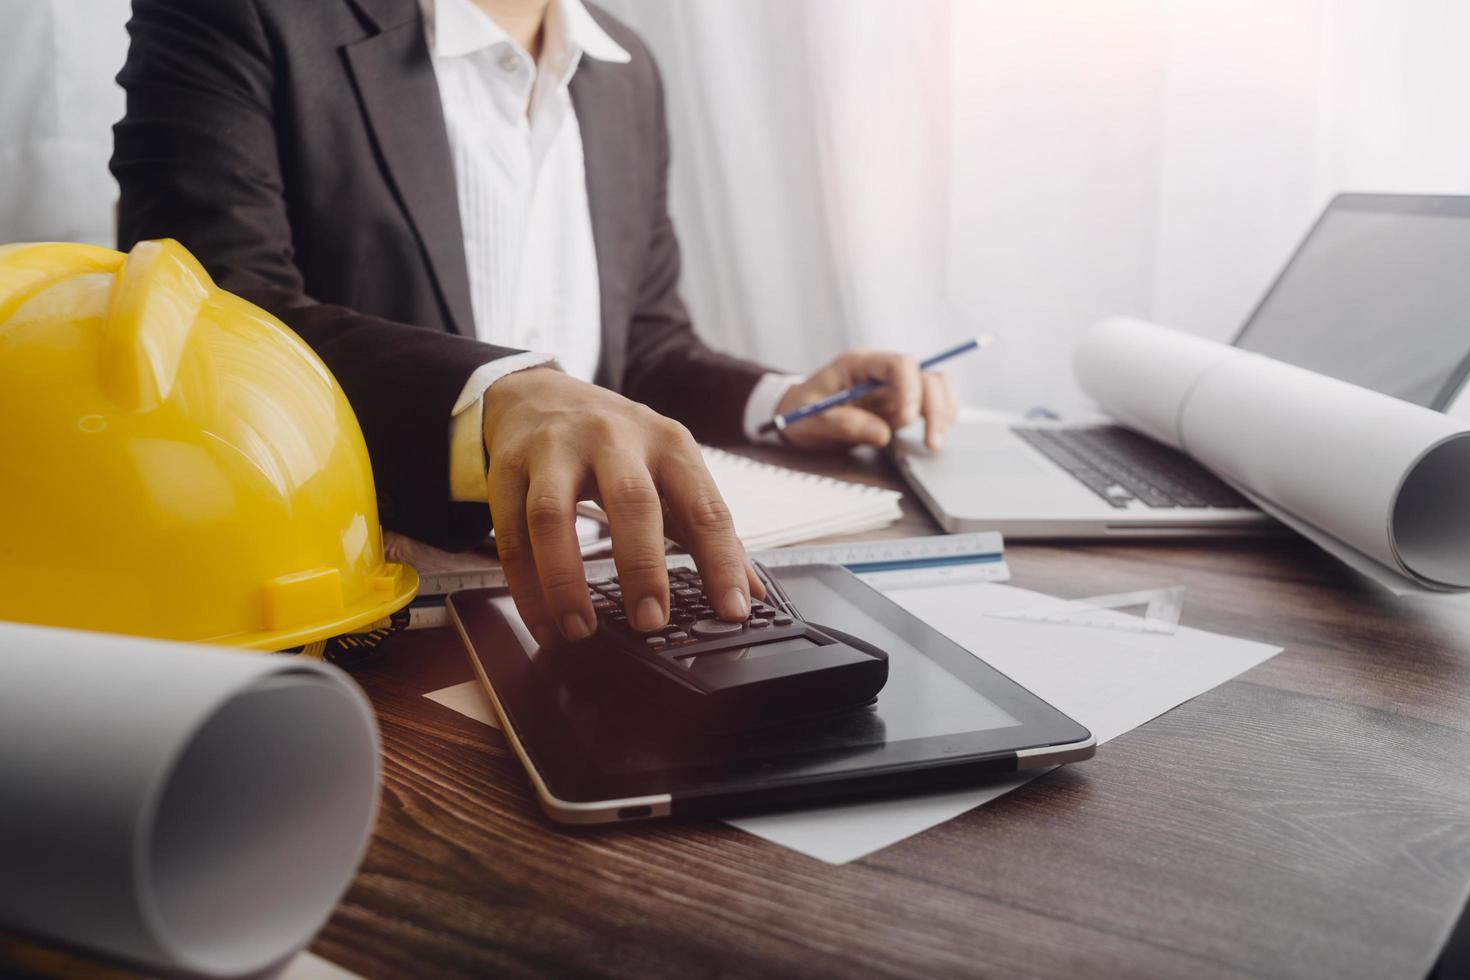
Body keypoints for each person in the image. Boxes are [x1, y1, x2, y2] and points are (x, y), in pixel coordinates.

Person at [112, 0, 958, 647]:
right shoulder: (238, 13)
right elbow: (215, 311)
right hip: (358, 611)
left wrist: (778, 398)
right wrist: (501, 394)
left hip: (610, 604)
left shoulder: (627, 73)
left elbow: (646, 346)